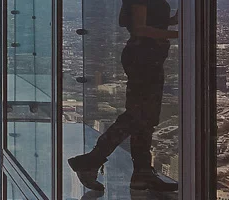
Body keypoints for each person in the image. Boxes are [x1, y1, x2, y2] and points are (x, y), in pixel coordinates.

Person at [67, 0, 179, 192]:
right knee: (138, 116)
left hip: (149, 57)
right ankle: (92, 161)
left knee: (144, 118)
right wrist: (178, 34)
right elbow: (139, 28)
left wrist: (173, 21)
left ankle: (141, 174)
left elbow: (148, 21)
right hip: (144, 58)